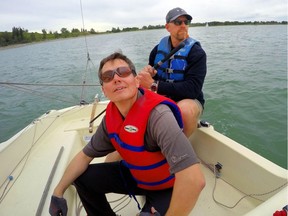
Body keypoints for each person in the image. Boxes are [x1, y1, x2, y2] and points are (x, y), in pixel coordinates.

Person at [49, 52, 205, 216]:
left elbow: (194, 181)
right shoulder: (111, 118)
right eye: (108, 76)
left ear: (137, 81)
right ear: (104, 90)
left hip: (166, 185)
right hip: (137, 177)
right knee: (82, 178)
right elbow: (84, 156)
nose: (116, 78)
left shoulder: (159, 116)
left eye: (123, 72)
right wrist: (57, 192)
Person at [138, 7, 207, 137]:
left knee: (184, 110)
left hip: (189, 100)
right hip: (162, 97)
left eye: (186, 22)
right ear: (167, 27)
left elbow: (193, 89)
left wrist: (154, 85)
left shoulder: (197, 53)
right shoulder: (157, 50)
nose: (183, 26)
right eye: (178, 22)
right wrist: (148, 72)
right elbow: (152, 73)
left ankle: (180, 147)